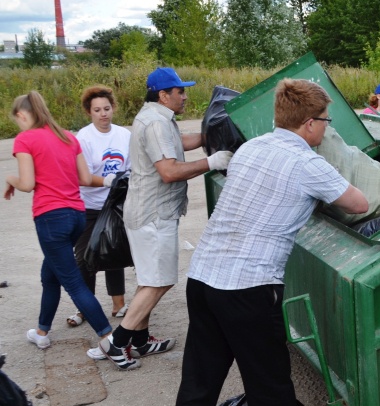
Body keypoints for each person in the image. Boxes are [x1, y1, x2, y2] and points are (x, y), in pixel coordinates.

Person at [161, 78, 368, 406]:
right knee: (268, 384)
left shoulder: (251, 148)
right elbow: (359, 203)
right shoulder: (308, 164)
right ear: (310, 124)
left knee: (199, 382)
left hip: (204, 278)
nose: (326, 128)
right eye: (325, 121)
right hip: (249, 288)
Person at [95, 68, 233, 371]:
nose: (185, 97)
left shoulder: (155, 117)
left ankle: (141, 340)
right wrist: (211, 161)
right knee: (160, 281)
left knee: (150, 279)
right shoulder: (157, 122)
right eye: (180, 91)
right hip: (154, 216)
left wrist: (211, 136)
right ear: (163, 95)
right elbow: (169, 171)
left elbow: (178, 141)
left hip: (147, 212)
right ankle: (117, 341)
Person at [4, 91, 114, 350]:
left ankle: (110, 340)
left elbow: (27, 183)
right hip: (77, 215)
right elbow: (85, 179)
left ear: (22, 115)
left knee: (73, 282)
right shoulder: (68, 137)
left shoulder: (25, 139)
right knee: (50, 275)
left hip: (50, 218)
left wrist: (10, 179)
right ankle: (41, 332)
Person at [68, 85, 131, 328]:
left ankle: (118, 304)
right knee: (84, 257)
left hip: (116, 204)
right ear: (89, 112)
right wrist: (107, 181)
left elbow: (131, 168)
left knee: (113, 250)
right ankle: (85, 308)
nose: (103, 114)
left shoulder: (124, 135)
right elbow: (81, 176)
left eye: (106, 108)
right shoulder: (83, 138)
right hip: (89, 206)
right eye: (97, 110)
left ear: (113, 108)